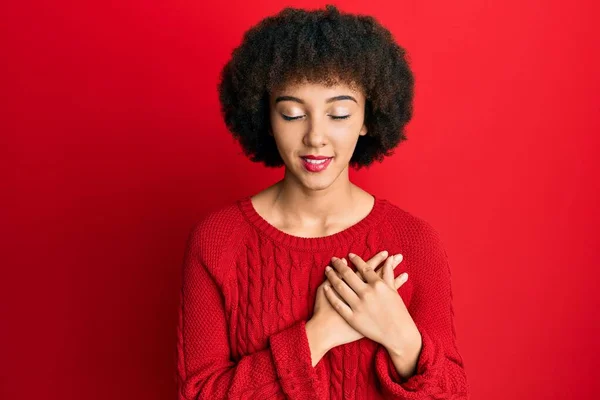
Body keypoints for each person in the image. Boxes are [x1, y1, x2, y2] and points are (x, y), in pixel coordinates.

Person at [176, 4, 470, 399]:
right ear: (266, 117)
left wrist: (401, 337)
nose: (316, 137)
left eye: (339, 113)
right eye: (294, 114)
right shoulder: (216, 241)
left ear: (368, 117)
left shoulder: (414, 241)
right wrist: (321, 333)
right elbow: (200, 395)